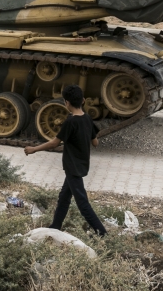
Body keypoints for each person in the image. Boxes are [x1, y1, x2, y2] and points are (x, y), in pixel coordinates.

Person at [24, 85, 107, 236]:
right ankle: (55, 226)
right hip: (82, 164)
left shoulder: (70, 122)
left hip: (72, 166)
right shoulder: (87, 118)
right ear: (83, 100)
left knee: (82, 203)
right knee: (64, 197)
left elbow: (55, 143)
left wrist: (34, 149)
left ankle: (101, 232)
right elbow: (95, 143)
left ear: (66, 103)